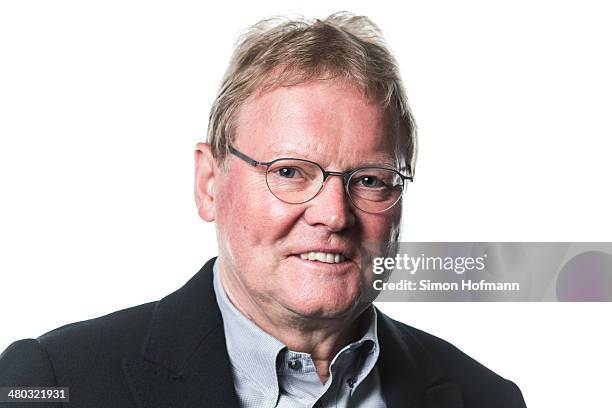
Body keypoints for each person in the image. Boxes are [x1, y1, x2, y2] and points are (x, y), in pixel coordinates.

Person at [0, 12, 526, 407]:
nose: (332, 215)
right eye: (291, 172)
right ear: (209, 183)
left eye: (368, 180)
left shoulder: (488, 399)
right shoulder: (52, 381)